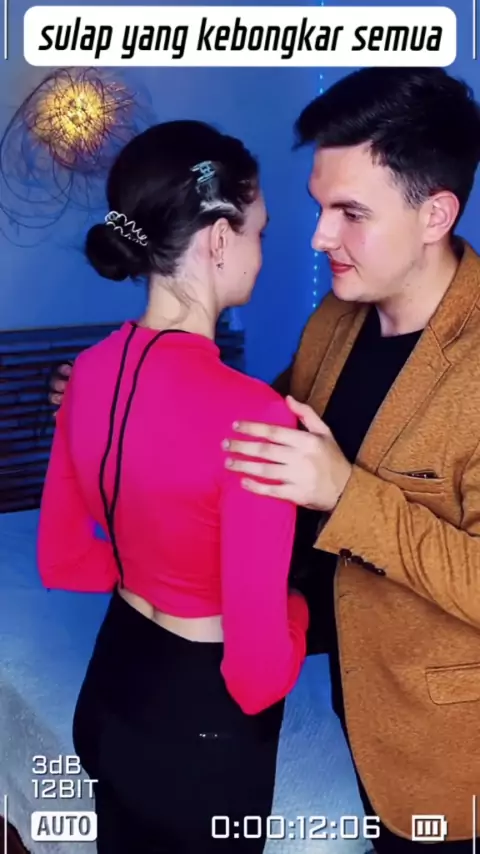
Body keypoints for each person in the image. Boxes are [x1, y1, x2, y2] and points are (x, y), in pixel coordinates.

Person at [222, 67, 480, 852]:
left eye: (351, 213)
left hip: (451, 759)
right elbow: (270, 415)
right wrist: (135, 389)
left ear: (435, 213)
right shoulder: (338, 316)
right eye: (319, 206)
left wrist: (345, 494)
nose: (318, 238)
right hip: (360, 700)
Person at [37, 120, 309, 854]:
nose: (262, 250)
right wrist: (298, 609)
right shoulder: (255, 416)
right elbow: (256, 676)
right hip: (199, 739)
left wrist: (155, 571)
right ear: (219, 240)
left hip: (111, 689)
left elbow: (63, 559)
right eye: (258, 230)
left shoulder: (88, 371)